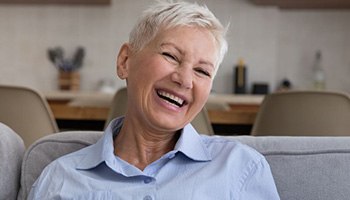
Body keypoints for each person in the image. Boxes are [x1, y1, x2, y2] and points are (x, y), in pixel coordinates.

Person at [29, 1, 280, 199]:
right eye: (170, 55)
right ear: (125, 61)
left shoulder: (241, 168)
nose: (184, 80)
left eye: (202, 71)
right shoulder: (60, 178)